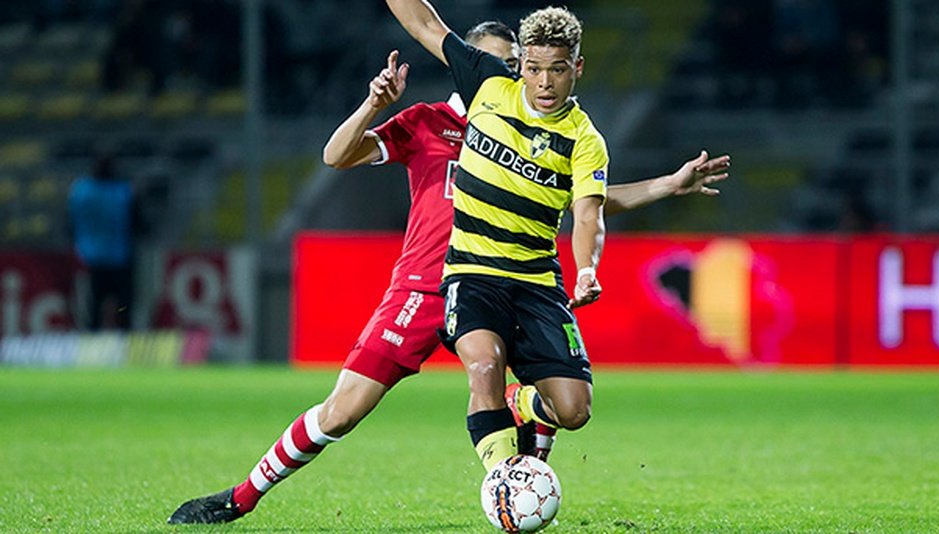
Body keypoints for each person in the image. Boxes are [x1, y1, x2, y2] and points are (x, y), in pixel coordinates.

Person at [167, 20, 729, 525]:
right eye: (488, 60)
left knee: (544, 393)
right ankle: (240, 497)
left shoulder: (536, 128)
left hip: (503, 280)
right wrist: (371, 105)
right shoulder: (427, 122)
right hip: (421, 288)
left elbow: (587, 201)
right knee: (341, 412)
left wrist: (662, 186)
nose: (505, 73)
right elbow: (337, 156)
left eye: (512, 64)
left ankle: (516, 492)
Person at [384, 0, 728, 476]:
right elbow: (423, 23)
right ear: (521, 63)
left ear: (577, 68)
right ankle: (506, 487)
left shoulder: (584, 139)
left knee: (574, 411)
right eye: (534, 69)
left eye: (558, 70)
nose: (544, 83)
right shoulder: (487, 81)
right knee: (483, 366)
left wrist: (587, 268)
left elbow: (589, 213)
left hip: (536, 282)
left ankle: (522, 403)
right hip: (472, 271)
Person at [67, 153, 141, 331]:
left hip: (89, 257)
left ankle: (92, 342)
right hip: (119, 257)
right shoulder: (123, 191)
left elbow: (69, 223)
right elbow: (138, 223)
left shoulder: (80, 191)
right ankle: (124, 339)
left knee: (94, 306)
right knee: (123, 304)